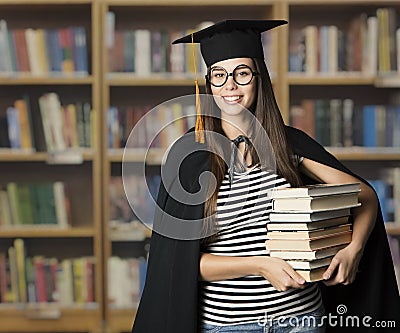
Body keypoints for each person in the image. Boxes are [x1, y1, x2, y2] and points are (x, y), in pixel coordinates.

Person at [131, 20, 400, 333]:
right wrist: (259, 265)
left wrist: (352, 250)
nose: (230, 85)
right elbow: (183, 263)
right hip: (229, 327)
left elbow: (364, 195)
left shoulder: (289, 146)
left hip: (302, 321)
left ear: (259, 79)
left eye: (241, 73)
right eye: (219, 75)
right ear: (209, 84)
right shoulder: (189, 158)